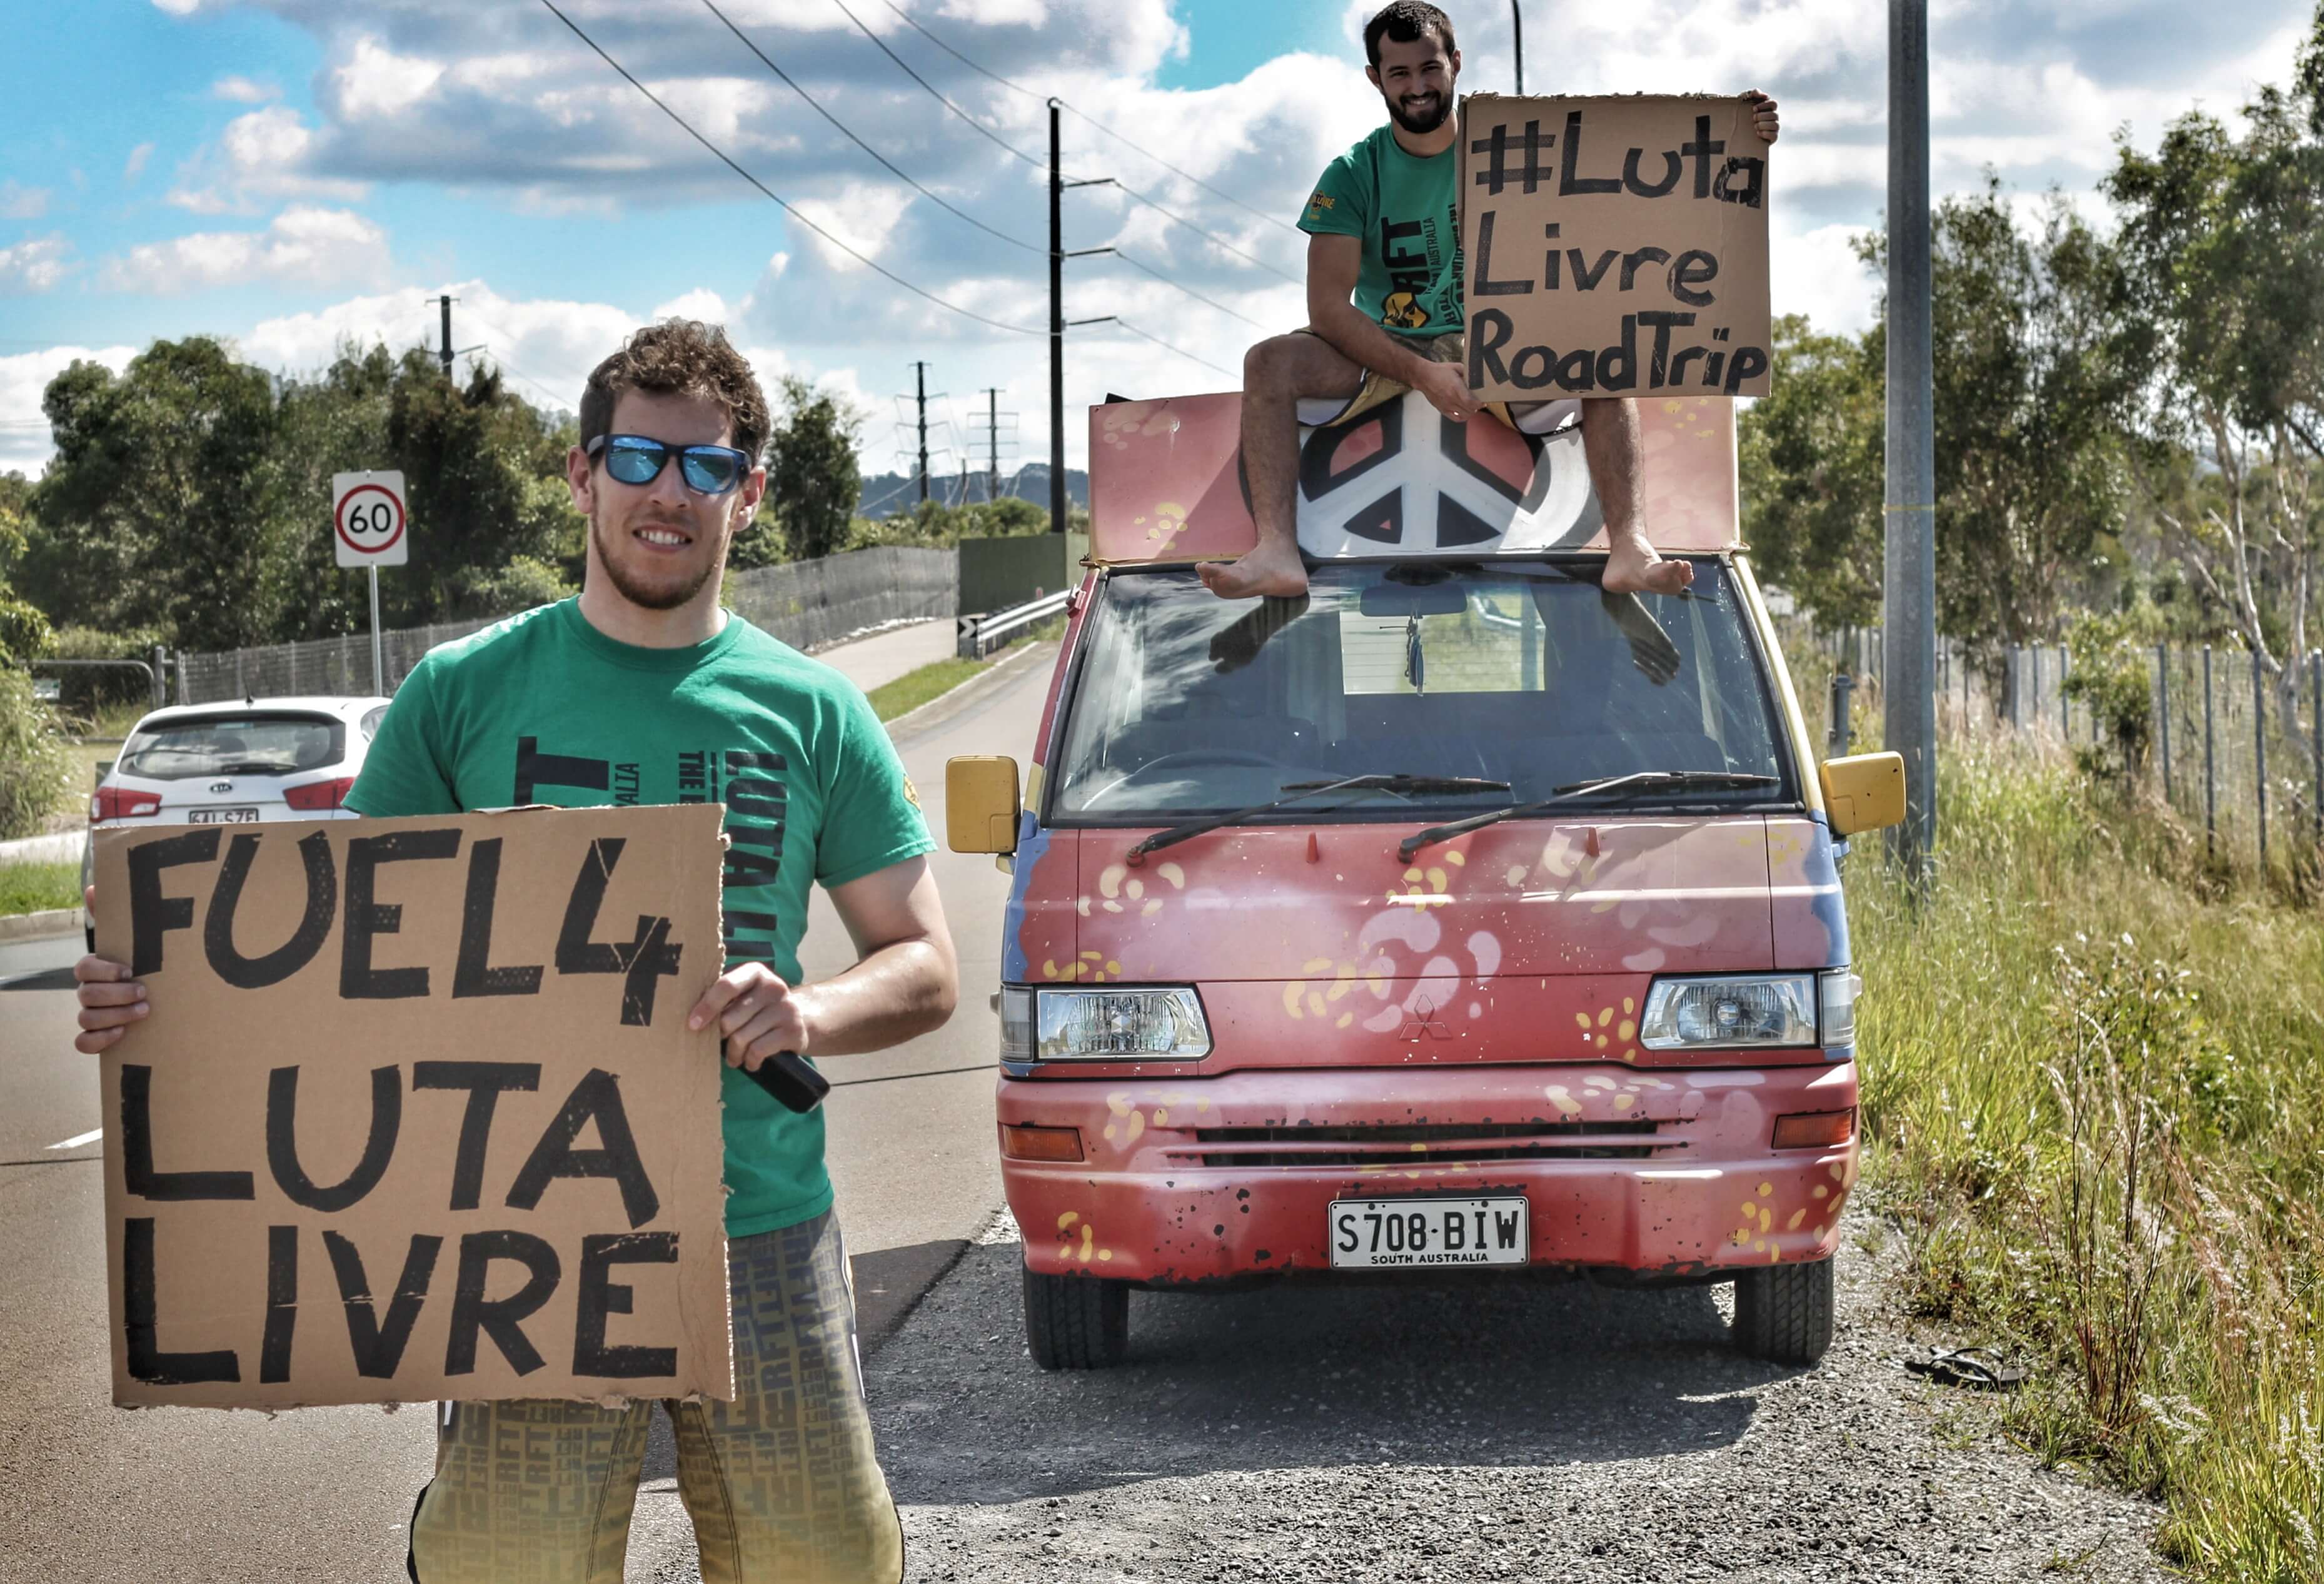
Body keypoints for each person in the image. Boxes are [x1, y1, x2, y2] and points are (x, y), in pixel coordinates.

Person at [72, 319, 957, 1584]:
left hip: (758, 1225)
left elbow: (922, 962)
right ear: (582, 473)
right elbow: (329, 964)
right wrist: (155, 1001)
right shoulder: (459, 694)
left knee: (825, 1567)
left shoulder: (812, 711)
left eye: (706, 468)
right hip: (522, 1248)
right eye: (640, 458)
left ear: (749, 495)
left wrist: (808, 1012)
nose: (670, 493)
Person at [1199, 0, 1779, 601]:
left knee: (1606, 357)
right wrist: (1423, 373)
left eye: (1429, 69)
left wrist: (1743, 134)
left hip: (1503, 343)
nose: (1417, 87)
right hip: (1385, 349)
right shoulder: (1351, 173)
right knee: (1267, 362)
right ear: (1375, 78)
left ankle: (1629, 547)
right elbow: (1328, 309)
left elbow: (1642, 188)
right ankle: (1275, 552)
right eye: (1399, 74)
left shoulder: (1516, 147)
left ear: (1454, 63)